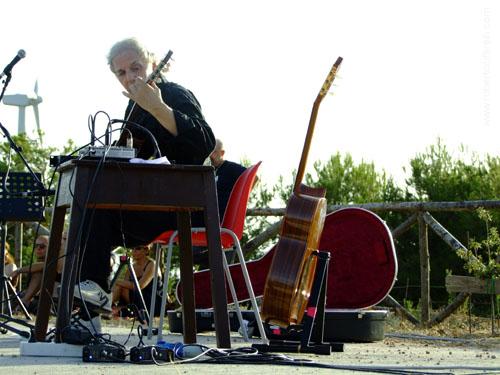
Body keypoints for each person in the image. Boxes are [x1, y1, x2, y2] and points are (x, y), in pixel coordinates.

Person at [73, 37, 215, 331]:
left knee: (95, 209)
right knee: (87, 209)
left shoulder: (174, 93)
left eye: (136, 68)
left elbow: (203, 143)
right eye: (121, 73)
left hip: (180, 205)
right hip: (146, 203)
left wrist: (157, 107)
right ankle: (89, 305)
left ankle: (90, 306)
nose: (130, 77)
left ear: (152, 62)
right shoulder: (132, 108)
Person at [112, 244, 162, 319]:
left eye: (138, 248)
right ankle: (108, 306)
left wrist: (115, 281)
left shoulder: (152, 264)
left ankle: (105, 306)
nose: (134, 251)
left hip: (151, 301)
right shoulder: (131, 267)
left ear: (146, 250)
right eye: (132, 248)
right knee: (119, 286)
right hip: (136, 299)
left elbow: (140, 285)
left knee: (118, 284)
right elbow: (123, 287)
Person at [209, 138, 247, 220]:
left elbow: (253, 177)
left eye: (214, 152)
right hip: (209, 216)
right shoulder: (210, 170)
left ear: (222, 153)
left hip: (223, 219)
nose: (211, 156)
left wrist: (241, 197)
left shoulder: (231, 168)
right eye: (209, 152)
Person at [10, 235, 49, 311]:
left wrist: (18, 270)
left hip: (46, 303)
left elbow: (43, 265)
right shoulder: (36, 263)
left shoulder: (54, 261)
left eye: (42, 246)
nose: (38, 248)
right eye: (36, 246)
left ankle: (23, 304)